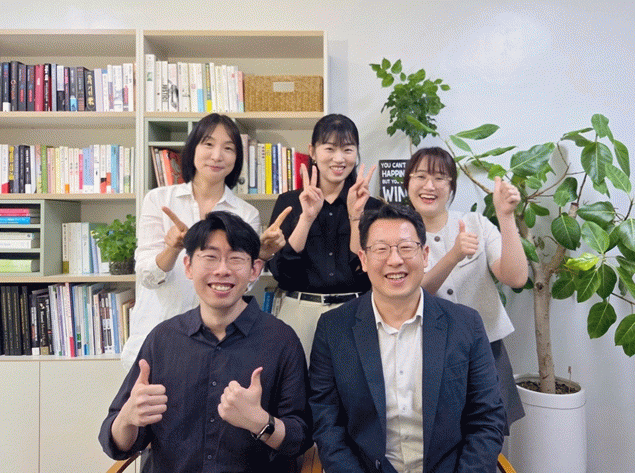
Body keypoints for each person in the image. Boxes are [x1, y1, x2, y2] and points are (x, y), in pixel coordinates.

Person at [99, 211, 312, 472]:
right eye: (210, 257)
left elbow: (300, 439)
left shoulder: (281, 340)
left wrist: (260, 422)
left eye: (235, 258)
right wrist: (128, 418)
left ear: (254, 270)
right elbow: (116, 444)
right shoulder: (163, 339)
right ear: (188, 266)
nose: (222, 270)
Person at [309, 204, 506, 473]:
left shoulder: (465, 325)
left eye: (406, 247)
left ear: (424, 255)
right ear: (363, 259)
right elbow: (327, 424)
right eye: (381, 249)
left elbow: (487, 418)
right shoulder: (334, 329)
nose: (395, 260)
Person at [121, 113, 289, 371]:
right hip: (156, 336)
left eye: (228, 148)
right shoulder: (159, 200)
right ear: (192, 149)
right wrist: (172, 249)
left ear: (237, 158)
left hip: (216, 344)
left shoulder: (246, 214)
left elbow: (240, 287)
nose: (217, 155)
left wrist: (263, 253)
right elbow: (147, 277)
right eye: (208, 144)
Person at [404, 146, 528, 433]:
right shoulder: (400, 232)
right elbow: (410, 295)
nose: (429, 186)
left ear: (451, 187)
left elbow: (516, 277)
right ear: (408, 182)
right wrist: (453, 256)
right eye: (420, 176)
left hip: (486, 350)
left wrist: (506, 216)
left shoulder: (476, 223)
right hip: (426, 353)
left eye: (440, 178)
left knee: (489, 434)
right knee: (436, 437)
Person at [267, 113, 382, 358]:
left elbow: (367, 273)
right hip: (300, 311)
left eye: (348, 150)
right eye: (329, 148)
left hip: (355, 311)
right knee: (296, 380)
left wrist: (355, 217)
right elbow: (282, 272)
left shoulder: (372, 207)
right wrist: (306, 218)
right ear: (312, 151)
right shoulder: (289, 202)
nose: (339, 159)